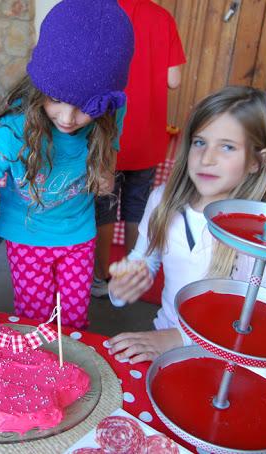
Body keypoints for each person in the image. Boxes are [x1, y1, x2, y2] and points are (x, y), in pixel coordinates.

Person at [0, 0, 134, 345]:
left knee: (74, 325)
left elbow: (107, 164)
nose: (68, 118)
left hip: (79, 233)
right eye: (57, 99)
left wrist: (104, 172)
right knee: (34, 323)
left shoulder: (111, 111)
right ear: (40, 84)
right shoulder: (13, 133)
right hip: (28, 238)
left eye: (84, 108)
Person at [106, 86, 266, 364]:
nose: (207, 158)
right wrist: (122, 286)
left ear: (256, 161)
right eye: (200, 142)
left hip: (227, 361)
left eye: (227, 146)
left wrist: (181, 339)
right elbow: (144, 259)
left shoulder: (264, 232)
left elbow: (262, 321)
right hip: (163, 338)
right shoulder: (161, 199)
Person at [92, 0, 186, 297]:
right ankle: (131, 279)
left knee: (103, 208)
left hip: (107, 132)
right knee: (139, 208)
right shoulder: (162, 17)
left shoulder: (100, 12)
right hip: (148, 131)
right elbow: (174, 79)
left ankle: (99, 278)